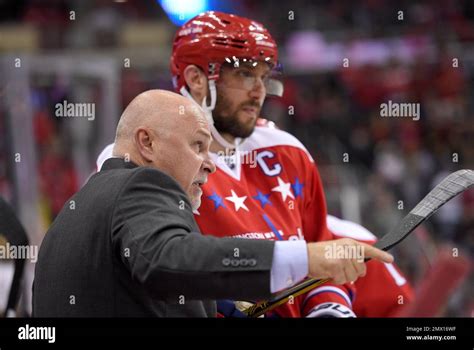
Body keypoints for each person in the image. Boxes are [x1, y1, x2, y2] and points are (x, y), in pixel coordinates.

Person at [96, 11, 411, 317]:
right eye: (244, 74)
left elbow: (319, 251)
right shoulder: (142, 159)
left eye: (264, 76)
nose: (259, 91)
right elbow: (163, 266)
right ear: (196, 79)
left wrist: (329, 309)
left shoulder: (288, 151)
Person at [33, 90, 393, 317]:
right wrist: (308, 258)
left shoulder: (73, 214)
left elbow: (151, 280)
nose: (210, 162)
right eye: (198, 146)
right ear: (147, 144)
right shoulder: (140, 185)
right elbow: (168, 260)